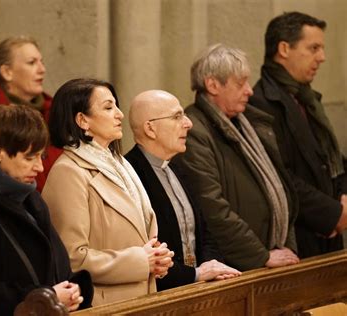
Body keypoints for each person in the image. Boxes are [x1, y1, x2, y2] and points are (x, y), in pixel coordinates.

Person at [0, 105, 93, 316]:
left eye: (41, 157)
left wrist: (72, 290)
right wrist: (46, 297)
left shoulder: (31, 198)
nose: (39, 168)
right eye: (29, 158)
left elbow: (58, 264)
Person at [42, 78, 174, 306]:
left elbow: (139, 235)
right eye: (108, 107)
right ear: (82, 120)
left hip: (142, 297)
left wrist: (157, 259)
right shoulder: (68, 172)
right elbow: (73, 258)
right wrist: (141, 261)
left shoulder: (120, 163)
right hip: (105, 304)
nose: (120, 114)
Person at [172, 44, 300, 271]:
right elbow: (213, 208)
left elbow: (281, 186)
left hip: (272, 252)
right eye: (240, 83)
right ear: (212, 85)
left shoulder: (249, 123)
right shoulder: (195, 132)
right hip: (237, 265)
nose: (250, 91)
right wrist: (260, 256)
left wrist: (284, 244)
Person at [250, 12, 347, 258]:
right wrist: (332, 214)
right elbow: (279, 175)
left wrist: (344, 198)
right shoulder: (261, 103)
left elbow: (331, 158)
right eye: (313, 48)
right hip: (298, 239)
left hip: (329, 232)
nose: (322, 57)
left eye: (322, 49)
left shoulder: (307, 98)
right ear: (284, 48)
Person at [125, 89, 241, 291]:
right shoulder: (129, 174)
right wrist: (195, 274)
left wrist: (210, 266)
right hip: (160, 295)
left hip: (198, 289)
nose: (188, 123)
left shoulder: (177, 165)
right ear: (150, 129)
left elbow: (205, 231)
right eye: (177, 116)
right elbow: (147, 252)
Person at [0, 35, 61, 191]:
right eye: (32, 63)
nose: (42, 69)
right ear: (7, 72)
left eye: (42, 62)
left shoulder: (56, 112)